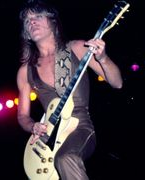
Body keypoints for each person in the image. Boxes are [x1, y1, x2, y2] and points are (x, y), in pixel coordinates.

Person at [16, 0, 123, 179]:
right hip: (47, 137)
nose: (32, 22)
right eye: (27, 20)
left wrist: (103, 58)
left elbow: (117, 83)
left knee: (66, 158)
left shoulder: (78, 48)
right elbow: (22, 116)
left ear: (53, 22)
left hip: (79, 127)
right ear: (26, 32)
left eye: (38, 16)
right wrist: (32, 126)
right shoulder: (25, 71)